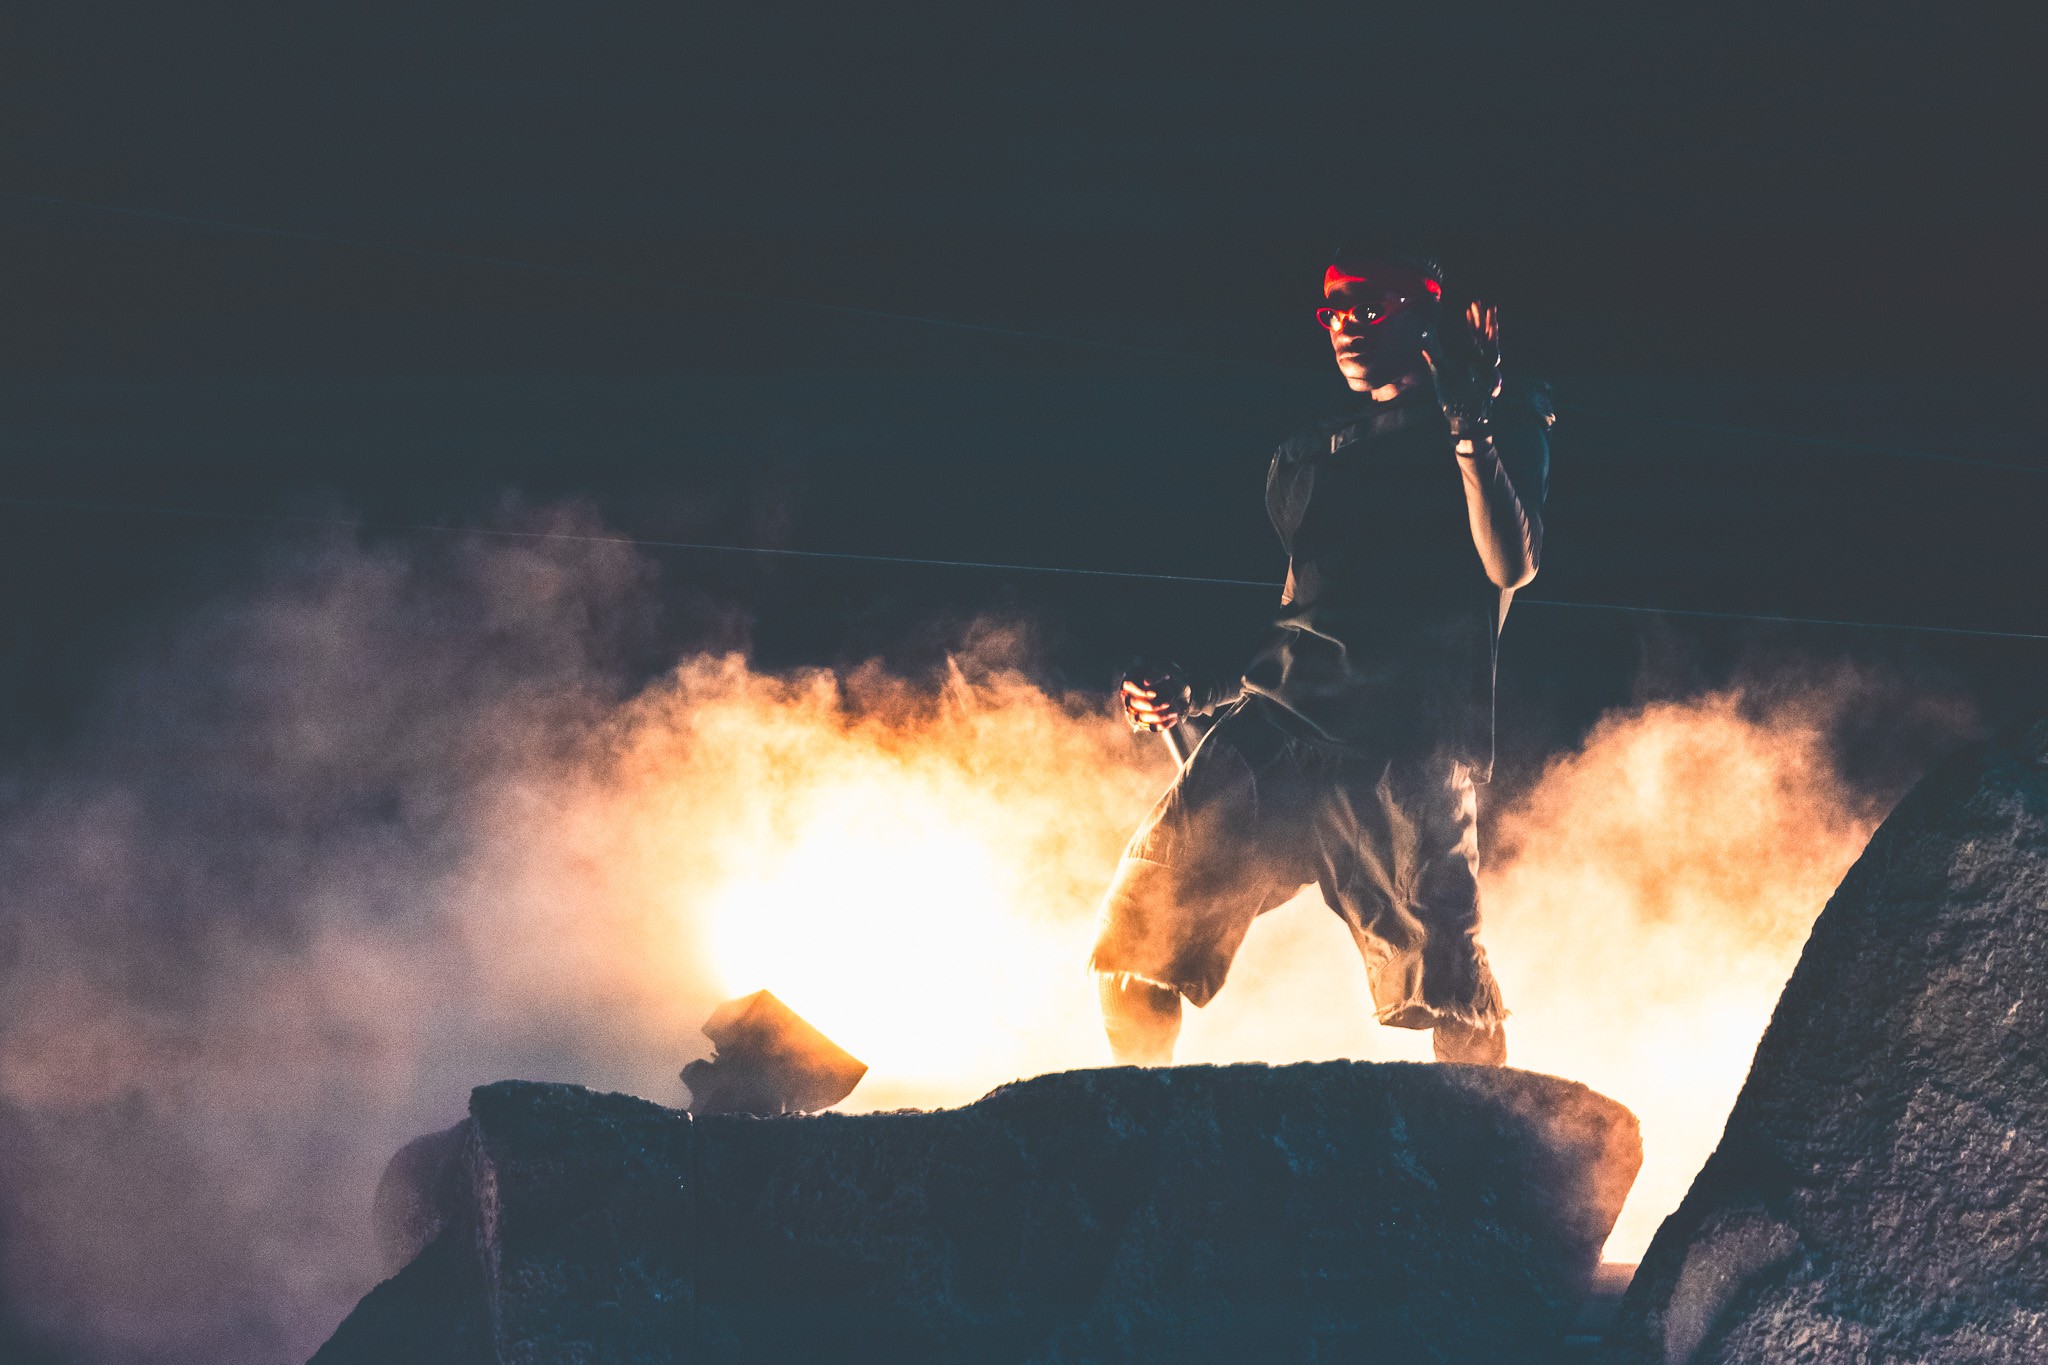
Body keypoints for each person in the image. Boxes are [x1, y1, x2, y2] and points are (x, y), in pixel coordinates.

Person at [1090, 245, 1551, 1068]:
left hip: (1404, 755)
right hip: (1278, 736)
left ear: (1423, 320)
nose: (1345, 329)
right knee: (1137, 949)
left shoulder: (1497, 419)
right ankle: (1138, 1126)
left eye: (1368, 310)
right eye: (1332, 313)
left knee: (1451, 995)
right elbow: (1299, 617)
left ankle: (1485, 1146)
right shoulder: (1313, 452)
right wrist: (1194, 689)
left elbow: (1509, 566)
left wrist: (1469, 424)